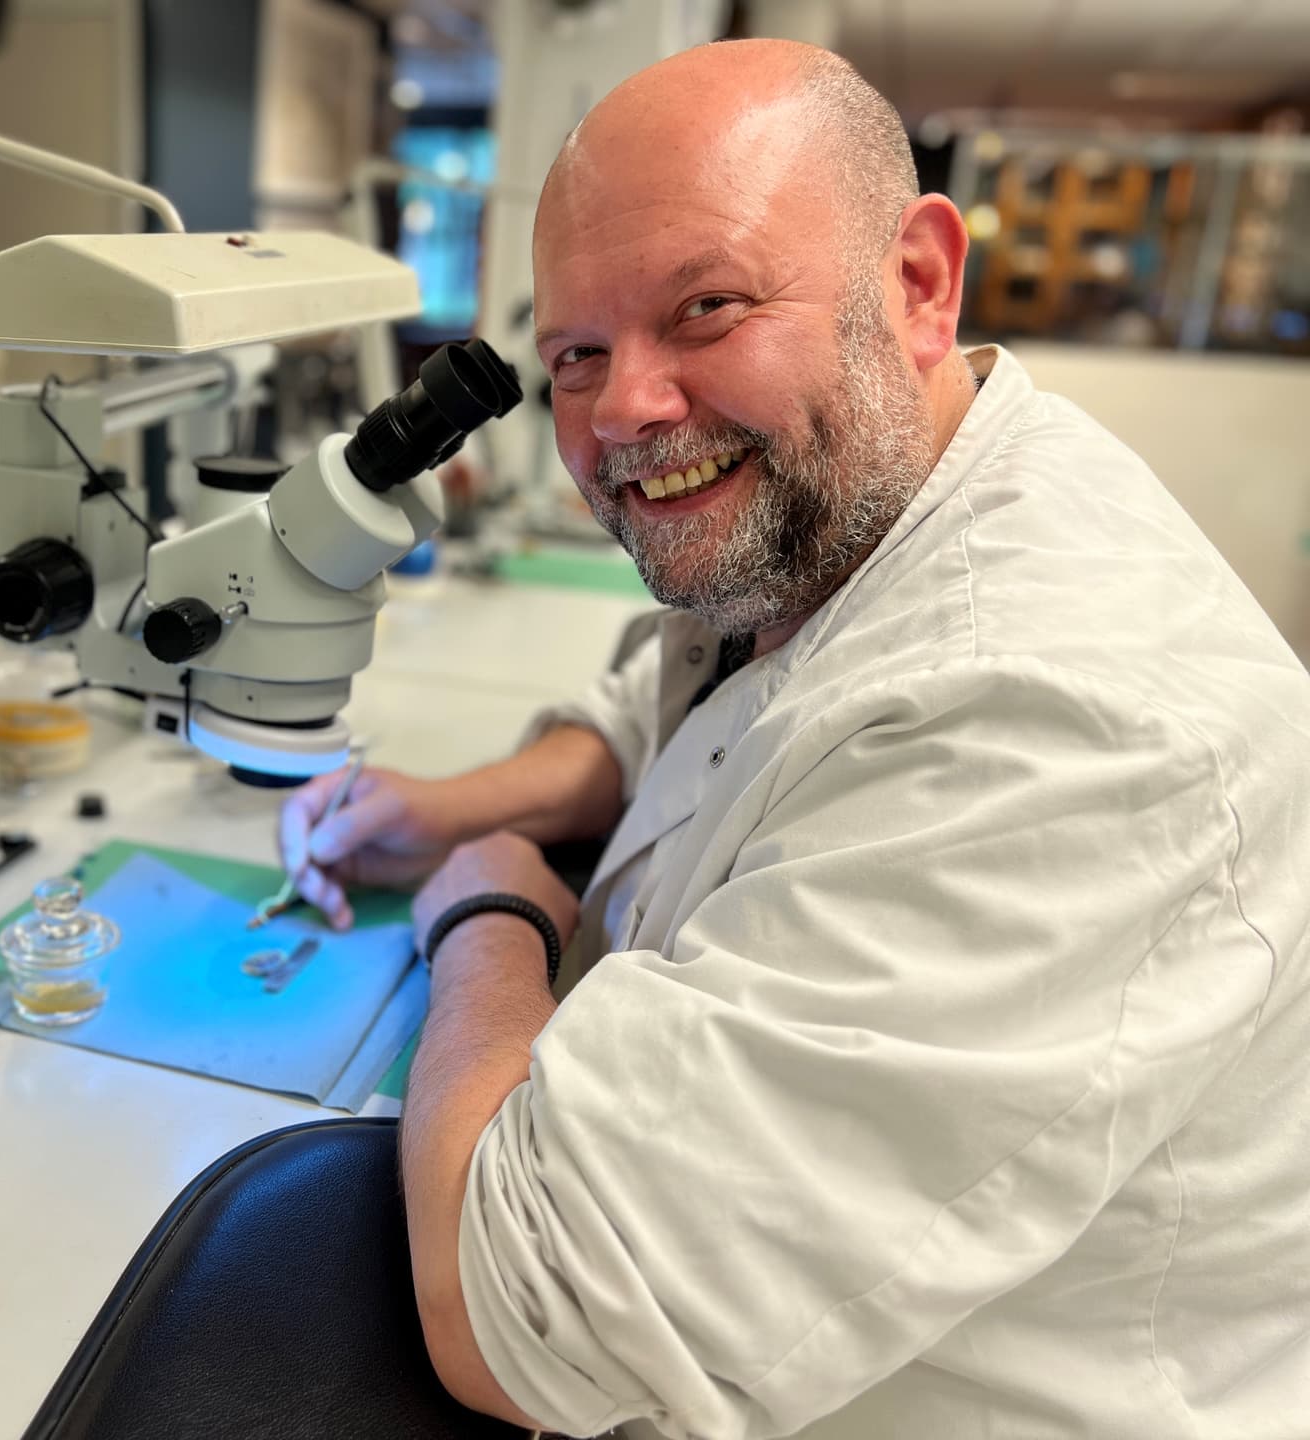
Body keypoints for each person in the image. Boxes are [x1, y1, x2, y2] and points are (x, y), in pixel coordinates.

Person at [277, 39, 1310, 1440]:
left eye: (707, 308)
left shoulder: (1058, 721)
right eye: (577, 355)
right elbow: (697, 689)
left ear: (919, 282)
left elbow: (522, 1313)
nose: (626, 408)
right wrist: (462, 804)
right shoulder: (871, 500)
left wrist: (490, 917)